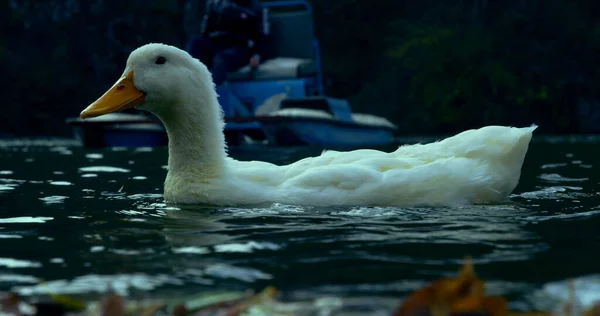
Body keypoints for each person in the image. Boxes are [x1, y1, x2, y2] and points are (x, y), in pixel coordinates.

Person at [187, 0, 269, 85]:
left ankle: (210, 94)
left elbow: (264, 38)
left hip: (240, 48)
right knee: (196, 42)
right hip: (215, 43)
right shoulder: (217, 4)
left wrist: (258, 55)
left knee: (221, 59)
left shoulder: (257, 9)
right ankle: (187, 87)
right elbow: (205, 32)